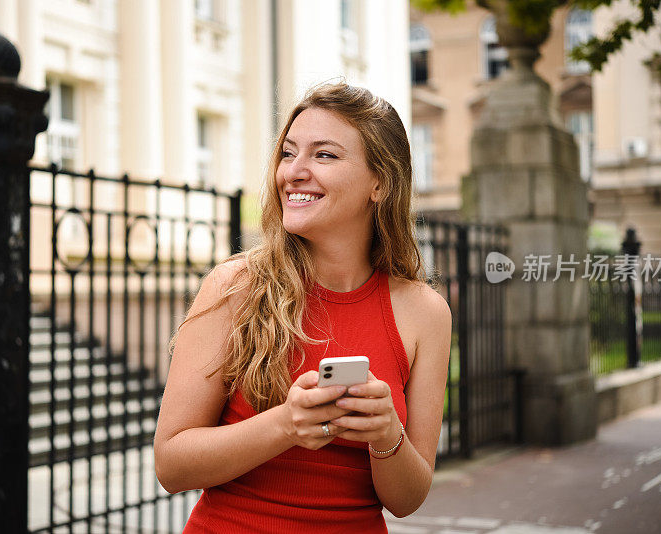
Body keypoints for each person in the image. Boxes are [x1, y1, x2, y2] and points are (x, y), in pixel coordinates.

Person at [154, 82, 452, 533]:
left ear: (380, 182)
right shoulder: (234, 287)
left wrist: (387, 434)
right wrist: (286, 425)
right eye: (289, 153)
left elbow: (407, 501)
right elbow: (171, 465)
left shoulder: (425, 314)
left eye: (324, 155)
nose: (293, 171)